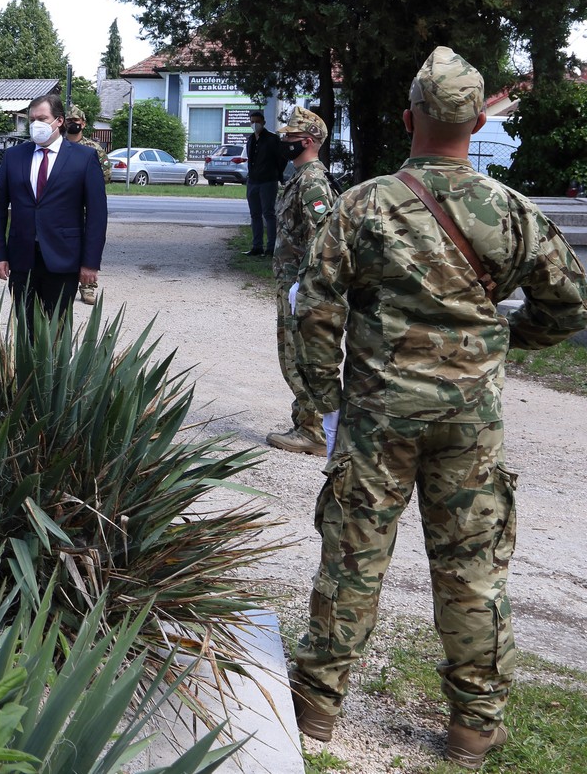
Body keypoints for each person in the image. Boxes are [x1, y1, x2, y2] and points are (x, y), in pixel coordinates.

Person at [288, 48, 587, 769]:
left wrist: (323, 397)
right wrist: (506, 337)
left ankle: (317, 705)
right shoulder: (513, 212)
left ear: (406, 119)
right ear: (479, 119)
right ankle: (473, 727)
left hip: (377, 417)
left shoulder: (362, 204)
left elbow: (315, 308)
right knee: (473, 568)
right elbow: (570, 300)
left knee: (353, 557)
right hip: (469, 424)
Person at [0, 94, 108, 320]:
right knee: (25, 329)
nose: (36, 125)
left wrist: (90, 263)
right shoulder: (14, 156)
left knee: (58, 330)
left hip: (64, 259)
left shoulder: (84, 158)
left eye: (42, 118)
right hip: (22, 259)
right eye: (32, 120)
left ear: (59, 121)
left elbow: (97, 215)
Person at [266, 106, 336, 456]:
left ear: (308, 141)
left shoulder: (312, 182)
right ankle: (306, 423)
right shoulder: (299, 177)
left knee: (299, 358)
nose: (285, 142)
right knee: (291, 357)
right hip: (292, 283)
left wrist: (303, 287)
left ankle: (314, 432)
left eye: (291, 138)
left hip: (302, 288)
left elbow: (322, 240)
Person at [244, 109, 283, 256]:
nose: (255, 124)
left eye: (257, 122)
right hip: (253, 181)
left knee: (268, 213)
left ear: (263, 123)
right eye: (252, 122)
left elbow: (281, 159)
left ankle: (271, 248)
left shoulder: (272, 139)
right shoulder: (250, 139)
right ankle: (256, 246)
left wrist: (275, 174)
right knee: (255, 215)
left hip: (268, 181)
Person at [64, 104, 111, 183]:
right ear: (64, 123)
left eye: (75, 120)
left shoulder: (94, 148)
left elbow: (106, 175)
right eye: (69, 120)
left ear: (83, 124)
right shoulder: (57, 146)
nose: (72, 123)